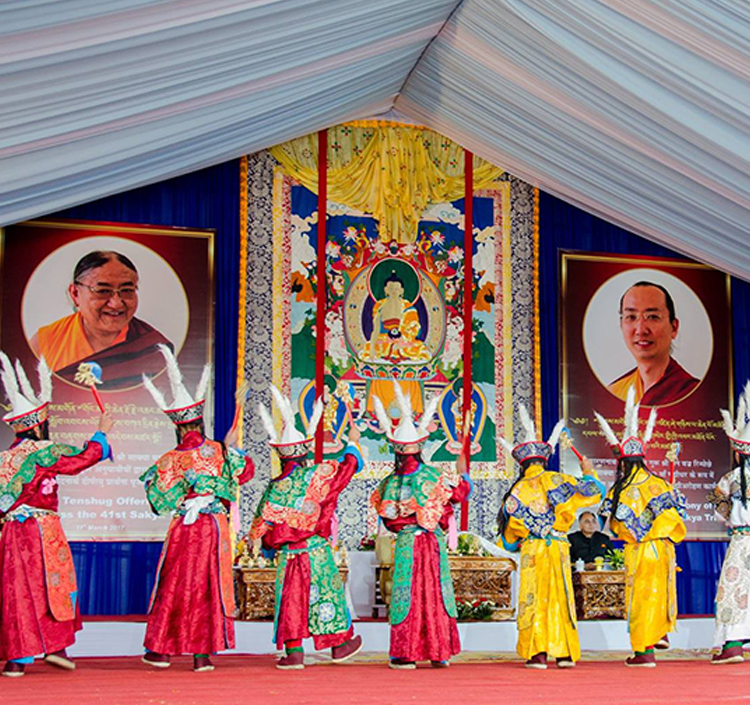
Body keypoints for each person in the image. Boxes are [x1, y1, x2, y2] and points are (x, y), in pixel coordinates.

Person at [140, 345, 254, 673]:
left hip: (184, 528)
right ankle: (202, 655)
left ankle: (160, 650)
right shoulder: (218, 449)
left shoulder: (170, 459)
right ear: (199, 422)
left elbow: (157, 498)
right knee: (208, 584)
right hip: (213, 527)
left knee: (174, 582)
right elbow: (246, 472)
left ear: (178, 427)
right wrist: (231, 449)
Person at [0, 353, 112, 678]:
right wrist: (102, 432)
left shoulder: (5, 459)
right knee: (54, 586)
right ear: (38, 425)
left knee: (16, 590)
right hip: (42, 531)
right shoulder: (44, 452)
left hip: (11, 533)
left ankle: (16, 660)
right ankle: (56, 648)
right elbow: (81, 459)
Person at [250, 385, 364, 670]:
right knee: (325, 594)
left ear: (282, 456)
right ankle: (338, 645)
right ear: (302, 454)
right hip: (315, 550)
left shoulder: (274, 487)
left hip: (289, 555)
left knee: (292, 600)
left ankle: (294, 653)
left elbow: (260, 527)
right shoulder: (318, 474)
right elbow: (348, 466)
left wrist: (266, 546)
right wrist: (352, 442)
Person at [370, 381, 471, 669]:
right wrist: (463, 475)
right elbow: (460, 494)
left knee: (407, 594)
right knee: (436, 591)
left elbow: (387, 517)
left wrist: (406, 518)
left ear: (398, 452)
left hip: (406, 543)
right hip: (433, 543)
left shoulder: (388, 483)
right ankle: (439, 652)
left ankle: (406, 653)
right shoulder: (434, 476)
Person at [497, 406, 604, 669]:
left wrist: (518, 537)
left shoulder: (517, 490)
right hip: (558, 546)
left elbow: (509, 535)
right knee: (561, 595)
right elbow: (594, 492)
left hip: (533, 549)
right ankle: (565, 653)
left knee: (534, 597)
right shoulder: (558, 479)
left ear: (522, 464)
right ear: (544, 461)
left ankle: (538, 653)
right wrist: (589, 471)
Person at [594, 387, 687, 667]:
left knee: (641, 597)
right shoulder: (660, 483)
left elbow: (606, 522)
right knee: (659, 593)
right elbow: (679, 514)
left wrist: (631, 529)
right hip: (662, 548)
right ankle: (659, 634)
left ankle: (644, 650)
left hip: (639, 549)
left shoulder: (619, 489)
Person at [30, 250, 172, 390]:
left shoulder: (155, 349)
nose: (116, 303)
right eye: (103, 291)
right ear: (75, 294)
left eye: (127, 290)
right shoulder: (45, 342)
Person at [708, 383, 750, 664]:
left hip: (742, 540)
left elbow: (717, 505)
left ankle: (733, 646)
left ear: (738, 453)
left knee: (734, 591)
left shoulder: (731, 479)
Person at [607, 281, 699, 406]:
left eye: (652, 317)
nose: (640, 330)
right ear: (621, 325)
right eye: (631, 317)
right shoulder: (615, 392)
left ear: (674, 327)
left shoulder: (693, 392)